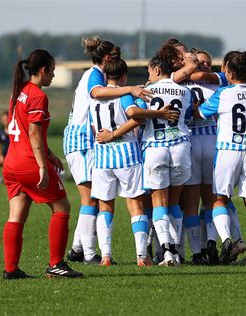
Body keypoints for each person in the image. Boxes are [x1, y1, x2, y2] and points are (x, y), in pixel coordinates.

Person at [63, 36, 152, 265]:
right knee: (96, 201)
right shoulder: (96, 76)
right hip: (86, 141)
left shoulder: (100, 81)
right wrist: (130, 90)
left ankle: (80, 249)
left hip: (99, 146)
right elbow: (98, 94)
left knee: (100, 201)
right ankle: (92, 254)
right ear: (106, 58)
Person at [90, 53, 179, 266]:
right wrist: (159, 113)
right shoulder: (125, 94)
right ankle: (141, 257)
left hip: (102, 155)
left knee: (105, 207)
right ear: (124, 76)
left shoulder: (95, 98)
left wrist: (107, 135)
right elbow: (136, 116)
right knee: (135, 205)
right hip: (126, 153)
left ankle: (105, 256)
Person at [2, 49, 83, 279]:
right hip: (29, 164)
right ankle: (56, 264)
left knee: (16, 215)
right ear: (43, 70)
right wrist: (41, 166)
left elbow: (25, 132)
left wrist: (49, 155)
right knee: (62, 208)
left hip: (11, 163)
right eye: (53, 71)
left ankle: (11, 269)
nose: (54, 76)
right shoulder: (38, 95)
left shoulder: (18, 92)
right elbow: (34, 133)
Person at [194, 51, 246, 266]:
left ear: (227, 70)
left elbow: (200, 113)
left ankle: (227, 240)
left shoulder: (224, 93)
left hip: (229, 150)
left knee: (219, 198)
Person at [135, 46, 193, 266]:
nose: (148, 76)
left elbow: (138, 116)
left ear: (158, 70)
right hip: (180, 146)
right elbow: (188, 116)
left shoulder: (148, 90)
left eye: (150, 71)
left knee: (159, 202)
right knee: (175, 203)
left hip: (155, 147)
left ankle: (167, 253)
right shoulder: (184, 91)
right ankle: (176, 252)